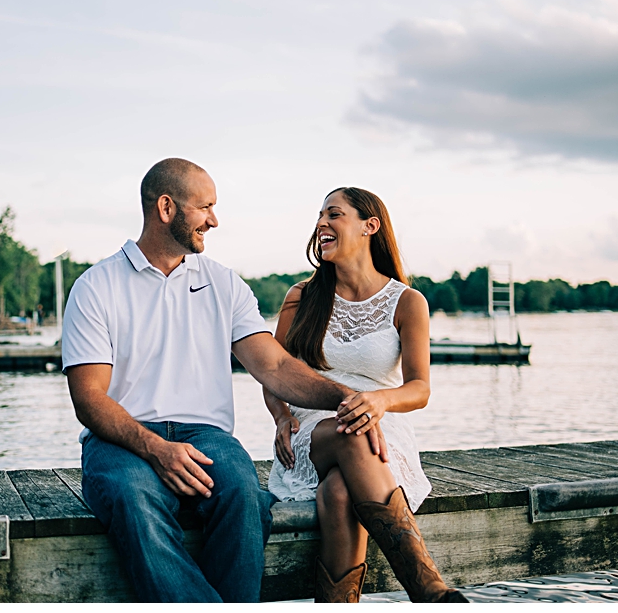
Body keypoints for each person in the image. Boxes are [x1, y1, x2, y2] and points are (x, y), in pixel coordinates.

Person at [61, 159, 385, 603]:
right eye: (205, 208)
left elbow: (274, 367)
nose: (214, 220)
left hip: (207, 437)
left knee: (246, 500)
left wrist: (346, 397)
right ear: (166, 208)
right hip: (121, 441)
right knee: (136, 502)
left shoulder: (224, 284)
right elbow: (89, 398)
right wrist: (156, 450)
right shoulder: (96, 287)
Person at [263, 187, 467, 603]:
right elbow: (272, 372)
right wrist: (283, 418)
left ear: (369, 225)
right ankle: (428, 588)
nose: (321, 223)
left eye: (334, 214)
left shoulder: (408, 302)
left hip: (385, 431)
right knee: (350, 430)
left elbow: (419, 388)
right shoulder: (301, 296)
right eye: (319, 215)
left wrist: (380, 401)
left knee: (338, 494)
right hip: (315, 434)